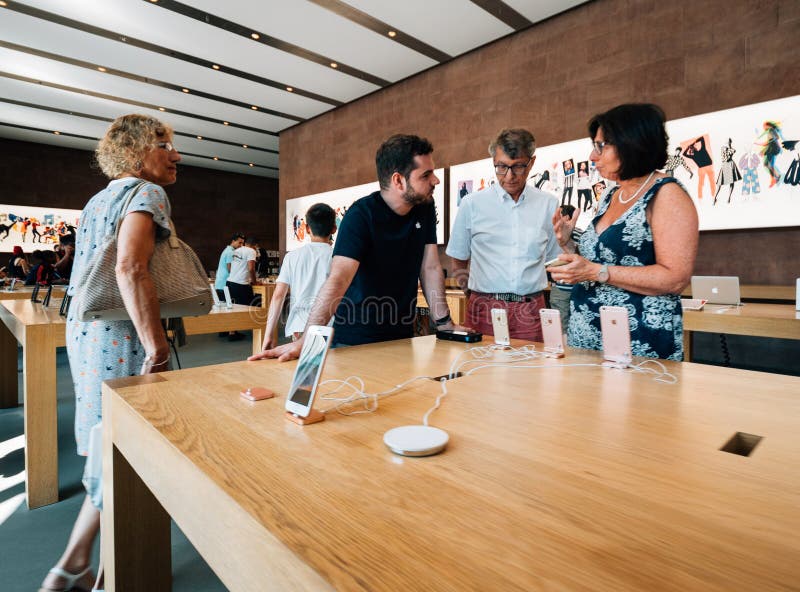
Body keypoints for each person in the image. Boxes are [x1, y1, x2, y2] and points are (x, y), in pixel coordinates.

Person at [40, 113, 180, 592]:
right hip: (121, 332)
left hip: (85, 330)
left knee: (111, 444)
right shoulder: (147, 193)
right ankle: (79, 567)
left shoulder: (97, 199)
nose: (176, 154)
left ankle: (86, 567)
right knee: (121, 447)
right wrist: (156, 343)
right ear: (139, 151)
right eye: (165, 144)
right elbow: (130, 267)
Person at [250, 134, 458, 361]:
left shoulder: (424, 208)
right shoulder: (360, 216)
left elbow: (429, 267)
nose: (435, 180)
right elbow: (338, 279)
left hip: (401, 335)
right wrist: (306, 339)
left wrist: (445, 325)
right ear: (398, 181)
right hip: (355, 339)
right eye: (426, 175)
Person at [548, 103, 699, 361]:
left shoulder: (667, 194)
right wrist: (569, 246)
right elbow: (602, 262)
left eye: (600, 146)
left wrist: (595, 271)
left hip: (639, 341)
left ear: (631, 143)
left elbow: (675, 278)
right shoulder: (611, 195)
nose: (592, 156)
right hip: (588, 337)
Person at [447, 128, 561, 342]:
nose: (509, 176)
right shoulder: (472, 204)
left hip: (530, 310)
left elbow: (555, 261)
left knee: (530, 372)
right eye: (501, 167)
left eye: (518, 166)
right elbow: (458, 261)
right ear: (493, 161)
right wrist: (475, 297)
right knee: (480, 371)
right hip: (483, 308)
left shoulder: (548, 204)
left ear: (531, 162)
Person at [262, 203, 336, 350]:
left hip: (299, 326)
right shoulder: (338, 257)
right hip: (329, 326)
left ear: (307, 228)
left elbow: (278, 296)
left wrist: (268, 334)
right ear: (334, 228)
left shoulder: (291, 257)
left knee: (302, 369)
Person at [226, 236, 258, 308]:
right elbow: (251, 269)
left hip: (230, 282)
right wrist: (254, 282)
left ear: (245, 243)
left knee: (234, 308)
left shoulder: (237, 250)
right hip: (240, 284)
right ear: (255, 245)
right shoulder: (252, 251)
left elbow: (231, 265)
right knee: (246, 309)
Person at [214, 233, 244, 299]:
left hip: (220, 283)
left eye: (242, 243)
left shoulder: (227, 250)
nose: (241, 245)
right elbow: (230, 269)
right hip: (224, 284)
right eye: (240, 243)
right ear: (233, 241)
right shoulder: (230, 252)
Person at [714, 138, 742, 205]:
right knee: (719, 183)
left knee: (731, 181)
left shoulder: (731, 149)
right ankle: (715, 197)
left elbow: (733, 151)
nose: (728, 142)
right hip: (725, 165)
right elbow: (725, 158)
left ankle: (729, 197)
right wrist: (729, 149)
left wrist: (729, 148)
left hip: (730, 165)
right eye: (727, 141)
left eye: (729, 141)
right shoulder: (723, 148)